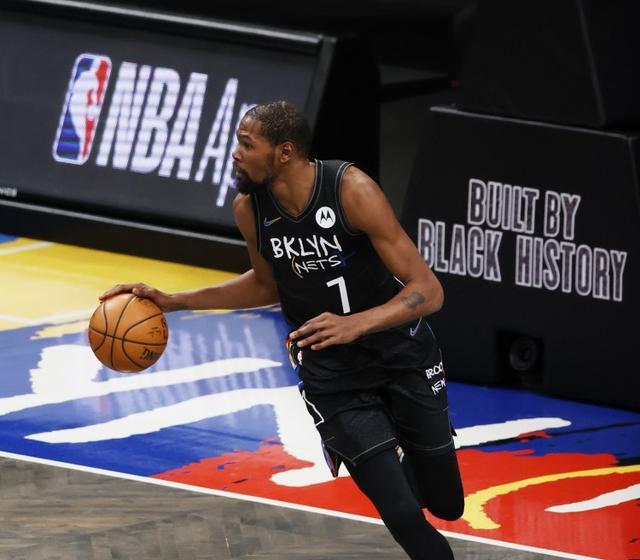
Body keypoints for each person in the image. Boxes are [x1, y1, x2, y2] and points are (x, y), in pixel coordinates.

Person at [101, 100, 464, 559]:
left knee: (446, 504)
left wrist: (354, 324)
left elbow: (428, 291)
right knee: (401, 513)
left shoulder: (350, 190)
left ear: (285, 151)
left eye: (247, 144)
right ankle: (380, 464)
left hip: (401, 354)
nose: (235, 153)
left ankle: (402, 454)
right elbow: (265, 284)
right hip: (332, 374)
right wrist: (174, 301)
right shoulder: (250, 209)